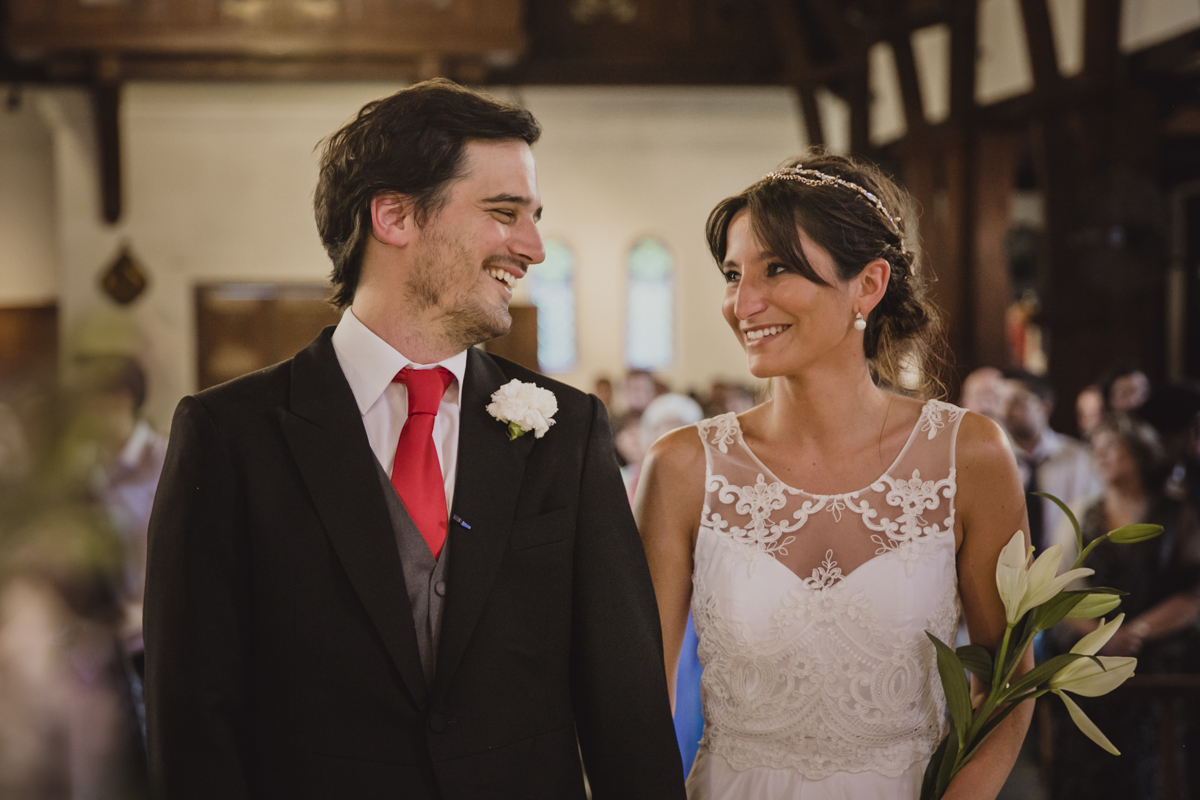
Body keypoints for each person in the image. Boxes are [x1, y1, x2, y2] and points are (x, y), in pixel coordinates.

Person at [144, 79, 685, 800]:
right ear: (395, 215)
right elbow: (193, 719)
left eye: (533, 218)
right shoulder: (229, 436)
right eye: (504, 213)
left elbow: (626, 710)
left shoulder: (568, 430)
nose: (532, 248)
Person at [637, 149, 1033, 800]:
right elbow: (637, 700)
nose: (744, 302)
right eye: (734, 274)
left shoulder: (970, 455)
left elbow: (1010, 679)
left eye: (778, 269)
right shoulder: (682, 467)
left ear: (869, 286)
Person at [1049, 414, 1200, 800]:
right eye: (1094, 450)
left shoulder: (1179, 513)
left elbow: (1192, 593)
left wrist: (1137, 633)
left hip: (1157, 650)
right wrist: (1101, 637)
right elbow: (1059, 591)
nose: (1099, 456)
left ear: (1140, 454)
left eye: (1110, 447)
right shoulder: (1082, 512)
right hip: (1092, 650)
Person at [1002, 369, 1100, 553]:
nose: (1006, 411)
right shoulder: (997, 462)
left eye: (1017, 402)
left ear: (1044, 407)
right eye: (1003, 402)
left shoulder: (1079, 459)